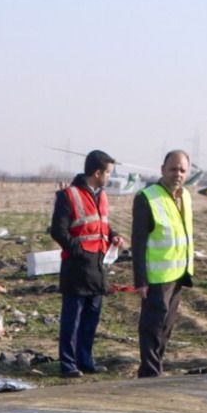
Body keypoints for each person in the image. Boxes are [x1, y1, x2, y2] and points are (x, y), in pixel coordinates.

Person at [49, 149, 123, 378]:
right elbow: (58, 231)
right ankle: (68, 364)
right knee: (72, 320)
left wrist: (113, 236)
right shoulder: (68, 195)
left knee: (91, 318)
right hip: (77, 268)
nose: (110, 177)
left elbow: (101, 225)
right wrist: (78, 251)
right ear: (97, 173)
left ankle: (86, 360)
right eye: (108, 172)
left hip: (98, 267)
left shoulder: (101, 195)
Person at [132, 150, 195, 378]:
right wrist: (140, 280)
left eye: (182, 170)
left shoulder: (185, 196)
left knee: (166, 328)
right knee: (152, 327)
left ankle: (155, 368)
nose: (178, 174)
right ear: (162, 170)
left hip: (178, 273)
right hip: (156, 277)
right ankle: (149, 374)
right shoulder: (146, 198)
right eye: (173, 169)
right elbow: (138, 242)